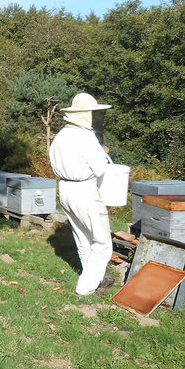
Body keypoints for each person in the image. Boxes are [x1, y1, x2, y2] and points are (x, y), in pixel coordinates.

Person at [49, 93, 114, 296]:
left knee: (83, 237)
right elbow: (100, 168)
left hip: (65, 189)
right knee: (103, 243)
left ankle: (94, 278)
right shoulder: (85, 137)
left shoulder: (61, 135)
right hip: (84, 190)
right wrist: (102, 152)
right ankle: (85, 288)